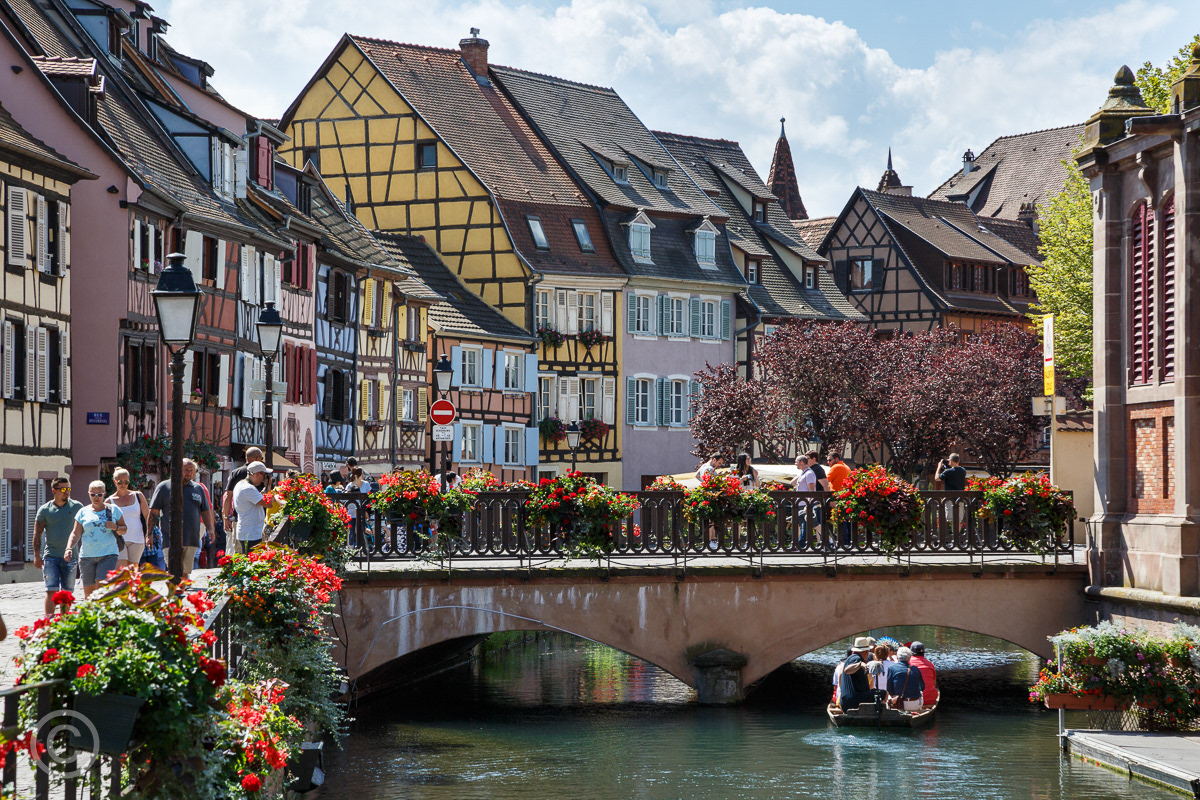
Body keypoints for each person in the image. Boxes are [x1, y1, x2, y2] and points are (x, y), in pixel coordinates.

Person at [148, 458, 215, 576]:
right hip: (170, 539)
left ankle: (181, 587)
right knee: (174, 571)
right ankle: (175, 587)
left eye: (191, 470)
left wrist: (210, 529)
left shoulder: (198, 488)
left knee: (185, 573)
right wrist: (149, 534)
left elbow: (205, 511)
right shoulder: (164, 487)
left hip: (191, 538)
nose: (189, 473)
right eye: (186, 470)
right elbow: (154, 512)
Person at [64, 480, 126, 597]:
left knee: (102, 589)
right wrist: (69, 548)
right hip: (87, 556)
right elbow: (76, 533)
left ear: (104, 494)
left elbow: (124, 529)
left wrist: (116, 527)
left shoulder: (114, 509)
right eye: (93, 495)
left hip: (108, 554)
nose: (96, 497)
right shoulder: (83, 512)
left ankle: (103, 609)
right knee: (89, 593)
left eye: (99, 494)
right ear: (89, 494)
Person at [33, 477, 83, 616]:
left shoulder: (77, 507)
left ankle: (64, 620)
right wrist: (37, 556)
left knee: (67, 592)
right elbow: (37, 534)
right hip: (51, 557)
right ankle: (48, 620)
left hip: (71, 557)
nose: (67, 492)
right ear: (54, 491)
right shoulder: (44, 510)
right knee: (51, 590)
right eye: (63, 489)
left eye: (68, 489)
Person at [107, 468, 150, 569]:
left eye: (126, 482)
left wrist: (149, 534)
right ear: (114, 482)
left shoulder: (138, 496)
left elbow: (148, 517)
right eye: (120, 482)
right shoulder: (109, 501)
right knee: (121, 569)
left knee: (133, 569)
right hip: (118, 539)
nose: (123, 485)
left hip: (137, 538)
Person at [222, 447, 263, 536]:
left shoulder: (236, 472)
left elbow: (228, 497)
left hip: (239, 518)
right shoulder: (261, 473)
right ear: (257, 458)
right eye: (261, 458)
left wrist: (226, 517)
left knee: (239, 544)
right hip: (258, 519)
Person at [233, 462, 272, 553]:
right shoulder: (248, 488)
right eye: (264, 475)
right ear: (257, 474)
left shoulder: (241, 484)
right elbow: (269, 504)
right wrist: (268, 486)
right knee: (253, 559)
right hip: (251, 534)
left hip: (248, 531)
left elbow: (256, 500)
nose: (264, 479)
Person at [837, 637, 874, 709]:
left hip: (847, 702)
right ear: (866, 651)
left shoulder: (849, 658)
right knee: (884, 693)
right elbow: (847, 670)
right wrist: (860, 664)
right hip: (856, 701)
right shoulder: (857, 659)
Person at [886, 646, 926, 711]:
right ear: (910, 658)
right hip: (915, 704)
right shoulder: (916, 669)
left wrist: (895, 696)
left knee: (888, 696)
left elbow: (889, 688)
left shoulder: (891, 668)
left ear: (897, 657)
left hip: (898, 703)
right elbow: (922, 687)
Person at [909, 641, 939, 705]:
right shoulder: (930, 665)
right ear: (923, 653)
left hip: (910, 700)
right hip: (929, 700)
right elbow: (934, 683)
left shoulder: (907, 663)